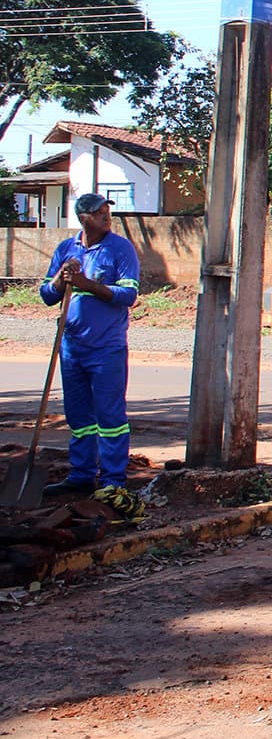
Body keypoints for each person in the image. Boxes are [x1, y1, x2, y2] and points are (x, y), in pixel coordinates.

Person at [39, 193, 141, 508]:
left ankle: (112, 481)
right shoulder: (66, 249)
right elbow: (46, 295)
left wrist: (84, 283)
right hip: (71, 346)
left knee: (110, 416)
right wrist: (61, 277)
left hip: (106, 347)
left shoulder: (119, 248)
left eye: (107, 212)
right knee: (79, 416)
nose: (106, 217)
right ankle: (82, 474)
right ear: (84, 218)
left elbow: (128, 295)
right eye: (100, 213)